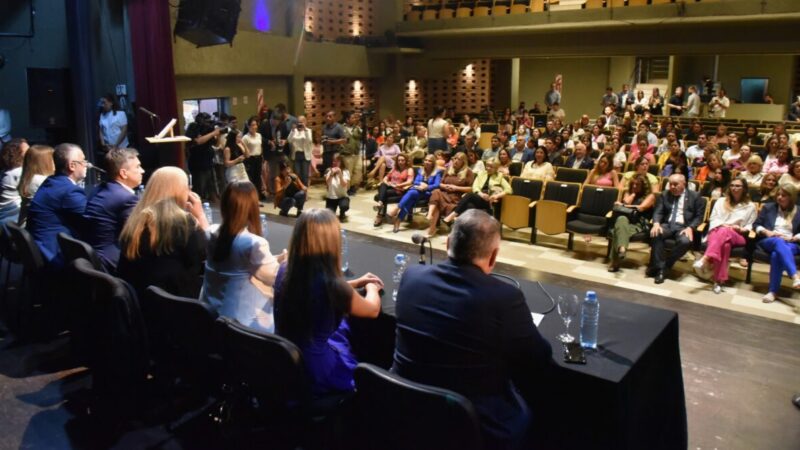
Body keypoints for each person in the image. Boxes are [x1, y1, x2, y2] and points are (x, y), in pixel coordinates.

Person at [393, 209, 553, 449]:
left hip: (403, 403)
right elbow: (539, 357)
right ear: (493, 256)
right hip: (470, 421)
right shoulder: (504, 297)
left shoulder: (411, 276)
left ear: (447, 243)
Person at [274, 208, 383, 395]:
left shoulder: (286, 268)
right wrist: (372, 288)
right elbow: (372, 310)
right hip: (316, 367)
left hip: (285, 356)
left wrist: (352, 284)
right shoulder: (332, 285)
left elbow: (314, 290)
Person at [202, 182, 286, 333]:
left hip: (209, 316)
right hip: (241, 327)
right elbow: (274, 277)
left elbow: (239, 263)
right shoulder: (253, 243)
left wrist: (276, 259)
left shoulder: (210, 232)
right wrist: (285, 262)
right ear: (252, 208)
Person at [117, 167, 208, 298]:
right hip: (178, 303)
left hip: (139, 300)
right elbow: (207, 255)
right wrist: (200, 216)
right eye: (187, 187)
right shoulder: (183, 222)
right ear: (179, 190)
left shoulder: (135, 219)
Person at [26, 143, 88, 268]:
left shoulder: (51, 181)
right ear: (72, 165)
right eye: (83, 161)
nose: (87, 165)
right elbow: (93, 217)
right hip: (54, 254)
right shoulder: (68, 190)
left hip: (40, 247)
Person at [82, 148, 143, 272]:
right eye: (137, 167)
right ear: (123, 173)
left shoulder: (98, 189)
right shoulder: (126, 198)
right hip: (112, 263)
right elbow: (138, 235)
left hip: (95, 259)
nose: (142, 171)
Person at [693, 179, 757, 294]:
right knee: (725, 246)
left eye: (738, 186)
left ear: (744, 189)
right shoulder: (721, 201)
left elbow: (750, 225)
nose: (734, 188)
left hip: (738, 235)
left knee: (724, 232)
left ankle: (705, 258)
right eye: (732, 185)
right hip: (717, 231)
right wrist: (724, 225)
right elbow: (713, 218)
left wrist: (741, 229)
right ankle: (718, 281)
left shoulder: (750, 206)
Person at [647, 174, 706, 284]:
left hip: (683, 227)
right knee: (656, 233)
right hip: (667, 225)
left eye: (675, 184)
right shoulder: (664, 195)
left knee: (685, 241)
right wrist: (656, 223)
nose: (672, 187)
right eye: (670, 184)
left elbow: (699, 217)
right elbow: (658, 212)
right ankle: (661, 268)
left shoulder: (695, 196)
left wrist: (690, 227)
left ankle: (664, 267)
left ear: (684, 184)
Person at [753, 184, 800, 303]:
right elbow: (756, 225)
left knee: (776, 255)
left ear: (791, 197)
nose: (779, 197)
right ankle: (794, 276)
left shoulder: (799, 211)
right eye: (778, 195)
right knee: (778, 242)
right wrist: (766, 231)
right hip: (769, 240)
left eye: (783, 195)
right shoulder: (768, 207)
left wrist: (795, 237)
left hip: (790, 242)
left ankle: (773, 291)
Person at [608, 174, 656, 272]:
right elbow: (625, 203)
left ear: (644, 186)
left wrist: (622, 205)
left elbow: (641, 208)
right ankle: (622, 249)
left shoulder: (651, 196)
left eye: (637, 185)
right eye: (633, 184)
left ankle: (615, 262)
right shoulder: (628, 193)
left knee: (618, 231)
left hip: (639, 222)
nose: (634, 186)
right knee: (621, 219)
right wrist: (633, 194)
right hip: (627, 220)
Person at [443, 160, 510, 224]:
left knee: (469, 195)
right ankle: (467, 229)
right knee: (469, 205)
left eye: (491, 167)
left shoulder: (499, 176)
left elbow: (508, 189)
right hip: (480, 197)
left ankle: (453, 216)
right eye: (487, 166)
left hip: (489, 200)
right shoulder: (481, 174)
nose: (488, 168)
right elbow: (475, 187)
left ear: (495, 168)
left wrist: (496, 196)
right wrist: (481, 194)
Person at [387, 154, 442, 233]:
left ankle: (396, 210)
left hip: (428, 193)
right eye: (426, 160)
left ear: (433, 163)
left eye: (429, 161)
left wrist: (426, 187)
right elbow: (415, 181)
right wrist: (421, 185)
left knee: (412, 192)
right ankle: (398, 221)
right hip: (418, 191)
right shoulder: (421, 170)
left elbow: (437, 185)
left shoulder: (437, 172)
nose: (427, 162)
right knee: (411, 200)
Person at [426, 152, 474, 238]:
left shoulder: (468, 171)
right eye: (455, 158)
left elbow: (471, 189)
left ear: (463, 161)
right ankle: (431, 220)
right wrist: (445, 186)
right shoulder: (448, 169)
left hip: (457, 197)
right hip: (445, 194)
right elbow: (440, 184)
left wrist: (456, 188)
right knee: (436, 191)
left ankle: (432, 228)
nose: (455, 161)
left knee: (437, 201)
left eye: (458, 159)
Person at [186, 112, 222, 201]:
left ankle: (212, 200)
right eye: (207, 121)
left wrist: (218, 135)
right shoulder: (193, 127)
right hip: (198, 163)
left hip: (208, 162)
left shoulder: (209, 129)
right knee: (199, 188)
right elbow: (198, 141)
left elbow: (216, 144)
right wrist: (213, 133)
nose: (208, 123)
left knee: (211, 187)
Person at [17, 144, 55, 226]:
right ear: (45, 162)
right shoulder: (42, 180)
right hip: (36, 227)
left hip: (26, 225)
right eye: (53, 159)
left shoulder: (28, 178)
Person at [373, 153, 413, 226]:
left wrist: (399, 185)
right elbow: (386, 177)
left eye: (402, 160)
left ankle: (379, 214)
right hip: (391, 186)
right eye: (399, 160)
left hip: (400, 189)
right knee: (383, 184)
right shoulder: (394, 168)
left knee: (382, 194)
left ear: (406, 161)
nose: (400, 162)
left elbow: (409, 181)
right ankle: (380, 204)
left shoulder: (409, 169)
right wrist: (387, 182)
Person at [0, 138, 28, 223]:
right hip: (12, 220)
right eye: (27, 152)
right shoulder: (17, 173)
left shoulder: (6, 171)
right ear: (16, 154)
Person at [287, 115, 314, 188]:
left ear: (305, 122)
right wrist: (292, 131)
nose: (299, 124)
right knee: (297, 173)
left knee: (305, 174)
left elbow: (309, 141)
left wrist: (304, 129)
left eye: (301, 122)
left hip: (305, 155)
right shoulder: (294, 131)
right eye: (298, 122)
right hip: (296, 154)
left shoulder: (308, 131)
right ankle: (298, 189)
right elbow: (289, 140)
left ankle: (305, 192)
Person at [242, 117, 264, 198]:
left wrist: (262, 156)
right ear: (248, 126)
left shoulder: (259, 135)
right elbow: (243, 150)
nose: (255, 127)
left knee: (258, 177)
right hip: (250, 159)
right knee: (251, 178)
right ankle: (251, 196)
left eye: (255, 125)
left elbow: (260, 146)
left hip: (258, 158)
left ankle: (258, 195)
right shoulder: (245, 137)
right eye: (252, 125)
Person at [341, 112, 363, 195]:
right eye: (352, 118)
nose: (354, 119)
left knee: (358, 171)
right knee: (348, 173)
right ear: (347, 119)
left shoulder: (357, 128)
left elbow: (363, 137)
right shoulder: (341, 128)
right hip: (347, 154)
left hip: (357, 153)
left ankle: (353, 186)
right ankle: (348, 189)